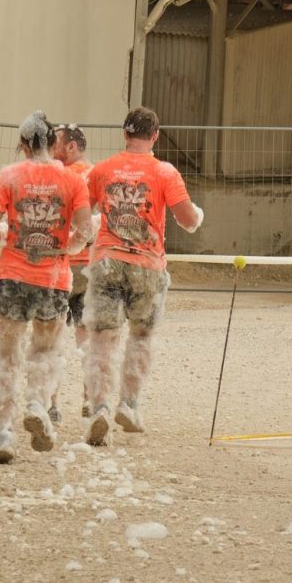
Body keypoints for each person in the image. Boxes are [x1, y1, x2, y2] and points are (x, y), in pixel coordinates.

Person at [83, 107, 203, 446]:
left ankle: (99, 407)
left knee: (102, 339)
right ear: (155, 136)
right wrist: (197, 215)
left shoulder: (102, 170)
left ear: (125, 134)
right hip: (147, 265)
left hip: (107, 260)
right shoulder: (165, 172)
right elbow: (188, 220)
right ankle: (129, 404)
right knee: (141, 336)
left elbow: (82, 215)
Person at [0, 111, 92, 464]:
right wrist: (65, 247)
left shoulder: (9, 176)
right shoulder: (72, 180)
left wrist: (5, 235)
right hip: (53, 279)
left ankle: (3, 432)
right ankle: (35, 405)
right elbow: (86, 231)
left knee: (6, 357)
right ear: (51, 143)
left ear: (24, 143)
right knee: (45, 351)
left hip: (11, 275)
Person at [49, 124, 95, 424]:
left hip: (60, 264)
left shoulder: (57, 176)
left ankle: (51, 402)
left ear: (71, 146)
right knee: (87, 336)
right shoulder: (96, 175)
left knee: (52, 335)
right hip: (90, 265)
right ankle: (89, 399)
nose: (51, 147)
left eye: (56, 142)